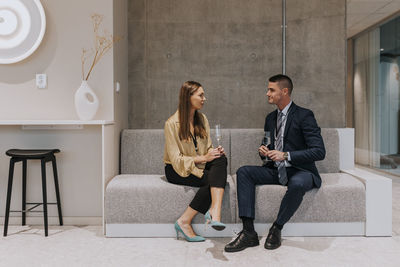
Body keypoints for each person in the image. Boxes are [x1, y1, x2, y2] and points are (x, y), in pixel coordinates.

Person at [225, 74, 325, 252]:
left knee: (298, 183)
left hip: (300, 170)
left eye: (271, 90)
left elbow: (319, 151)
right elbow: (268, 144)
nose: (267, 93)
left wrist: (285, 155)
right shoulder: (270, 118)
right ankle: (248, 232)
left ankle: (276, 228)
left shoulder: (304, 115)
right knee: (243, 172)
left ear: (284, 91)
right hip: (275, 170)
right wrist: (263, 151)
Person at [164, 81, 228, 242]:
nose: (204, 98)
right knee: (215, 181)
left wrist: (213, 153)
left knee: (221, 159)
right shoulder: (171, 124)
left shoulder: (203, 119)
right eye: (200, 95)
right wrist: (204, 158)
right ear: (188, 97)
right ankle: (184, 221)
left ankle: (215, 210)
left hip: (199, 164)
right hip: (176, 169)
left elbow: (207, 148)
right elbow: (176, 160)